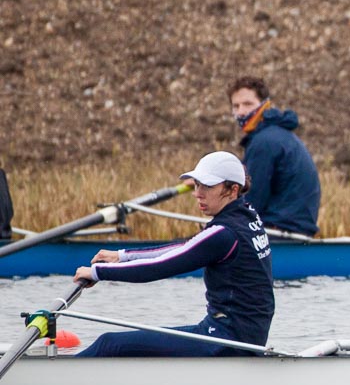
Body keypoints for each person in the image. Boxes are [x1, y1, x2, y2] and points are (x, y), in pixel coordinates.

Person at [70, 152, 273, 357]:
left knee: (110, 344)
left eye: (208, 186)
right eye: (197, 185)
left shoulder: (223, 234)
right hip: (241, 338)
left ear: (233, 190)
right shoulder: (247, 215)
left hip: (225, 340)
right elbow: (185, 248)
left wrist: (97, 272)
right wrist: (122, 256)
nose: (197, 194)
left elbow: (158, 267)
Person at [230, 75, 322, 238]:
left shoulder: (264, 142)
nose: (241, 111)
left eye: (247, 104)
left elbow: (251, 202)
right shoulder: (276, 134)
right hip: (295, 229)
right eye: (236, 106)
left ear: (265, 104)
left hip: (281, 232)